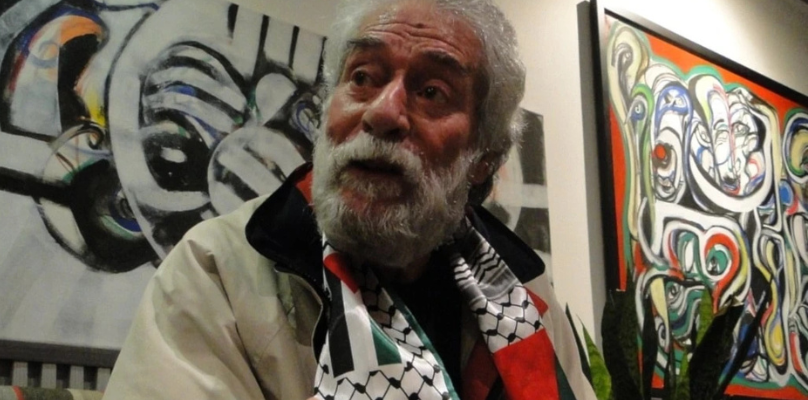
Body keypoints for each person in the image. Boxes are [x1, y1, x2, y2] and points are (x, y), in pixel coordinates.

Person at [103, 0, 597, 399]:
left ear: (482, 159)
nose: (382, 112)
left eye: (432, 91)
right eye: (362, 77)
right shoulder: (217, 271)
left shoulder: (525, 295)